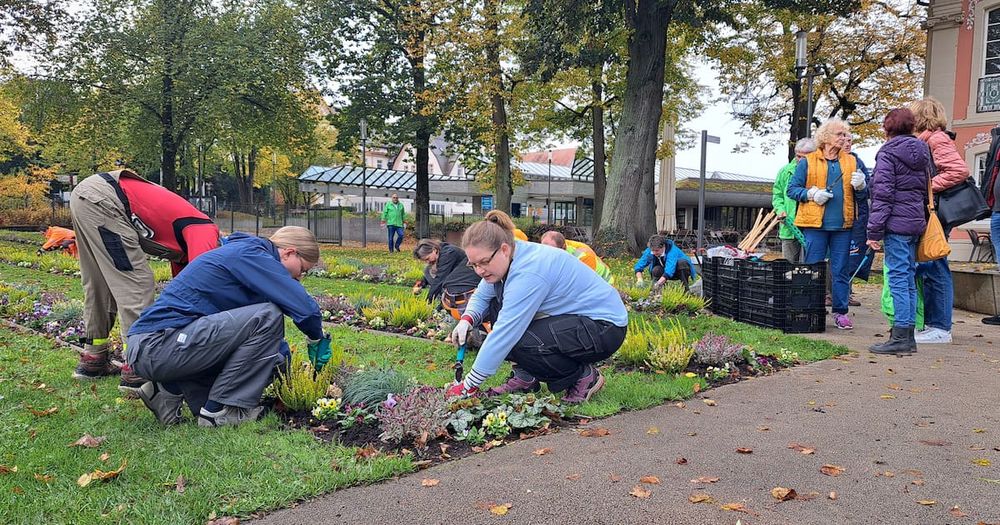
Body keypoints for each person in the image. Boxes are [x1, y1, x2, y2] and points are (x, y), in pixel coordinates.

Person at [125, 226, 331, 427]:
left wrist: (283, 368)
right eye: (303, 269)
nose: (300, 277)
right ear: (289, 253)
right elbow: (305, 308)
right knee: (269, 316)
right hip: (156, 344)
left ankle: (167, 390)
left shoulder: (250, 259)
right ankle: (221, 410)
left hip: (166, 346)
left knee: (275, 358)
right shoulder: (251, 255)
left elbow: (261, 344)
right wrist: (316, 338)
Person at [446, 211, 627, 403]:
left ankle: (584, 377)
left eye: (484, 262)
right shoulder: (512, 256)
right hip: (577, 320)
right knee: (496, 304)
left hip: (605, 327)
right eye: (473, 264)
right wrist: (466, 320)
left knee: (521, 340)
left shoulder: (529, 272)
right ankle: (525, 378)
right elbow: (483, 294)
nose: (479, 270)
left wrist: (469, 385)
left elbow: (505, 333)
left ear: (504, 249)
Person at [69, 169, 219, 394]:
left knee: (99, 283)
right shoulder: (207, 232)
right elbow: (203, 285)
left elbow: (185, 294)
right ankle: (137, 367)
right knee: (136, 283)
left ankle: (94, 357)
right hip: (107, 200)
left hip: (89, 196)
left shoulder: (190, 245)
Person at [787, 118, 868, 330]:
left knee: (841, 270)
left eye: (845, 134)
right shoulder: (808, 161)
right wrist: (811, 194)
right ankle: (812, 309)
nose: (844, 138)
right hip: (814, 226)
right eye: (840, 134)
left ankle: (840, 312)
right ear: (826, 137)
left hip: (843, 226)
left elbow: (864, 196)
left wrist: (861, 187)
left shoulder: (852, 162)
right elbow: (792, 189)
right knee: (813, 268)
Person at [866, 108, 930, 355]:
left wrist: (873, 231)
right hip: (914, 223)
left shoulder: (888, 153)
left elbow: (882, 194)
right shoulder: (923, 151)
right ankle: (908, 334)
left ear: (888, 128)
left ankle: (900, 335)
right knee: (909, 278)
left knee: (898, 278)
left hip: (896, 224)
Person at [910, 97, 968, 344]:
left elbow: (958, 171)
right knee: (930, 264)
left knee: (935, 265)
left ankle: (940, 327)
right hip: (932, 211)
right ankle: (935, 324)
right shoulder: (928, 140)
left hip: (936, 212)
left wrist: (926, 188)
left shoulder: (936, 139)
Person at [411, 238, 482, 319]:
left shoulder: (448, 253)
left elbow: (440, 280)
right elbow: (432, 274)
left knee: (446, 284)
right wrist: (422, 283)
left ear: (434, 250)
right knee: (428, 270)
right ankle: (442, 306)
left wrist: (428, 301)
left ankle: (446, 307)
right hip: (457, 274)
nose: (428, 262)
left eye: (427, 258)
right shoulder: (440, 251)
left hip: (469, 276)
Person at [772, 138, 817, 262]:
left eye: (805, 157)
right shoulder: (785, 171)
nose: (800, 160)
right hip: (789, 224)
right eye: (798, 156)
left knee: (810, 265)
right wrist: (780, 210)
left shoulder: (819, 171)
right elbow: (777, 194)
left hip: (811, 224)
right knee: (789, 264)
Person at [844, 133, 871, 307]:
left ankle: (846, 292)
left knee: (851, 256)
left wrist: (862, 186)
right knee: (833, 258)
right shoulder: (822, 161)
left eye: (850, 141)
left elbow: (867, 190)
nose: (847, 143)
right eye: (844, 139)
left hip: (854, 218)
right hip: (832, 219)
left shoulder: (856, 162)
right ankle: (828, 292)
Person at [539, 230, 614, 284]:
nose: (546, 254)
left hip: (603, 284)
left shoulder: (584, 256)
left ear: (563, 247)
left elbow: (584, 284)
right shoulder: (557, 245)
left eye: (551, 251)